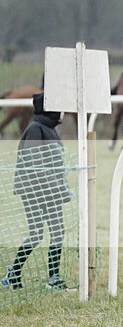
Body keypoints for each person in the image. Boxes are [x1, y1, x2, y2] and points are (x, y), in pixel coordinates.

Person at [2, 93, 73, 291]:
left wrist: (61, 186)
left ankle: (53, 277)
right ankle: (13, 273)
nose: (62, 112)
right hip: (34, 191)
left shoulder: (49, 129)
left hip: (51, 191)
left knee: (57, 232)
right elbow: (35, 165)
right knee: (36, 234)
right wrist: (57, 187)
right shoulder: (35, 130)